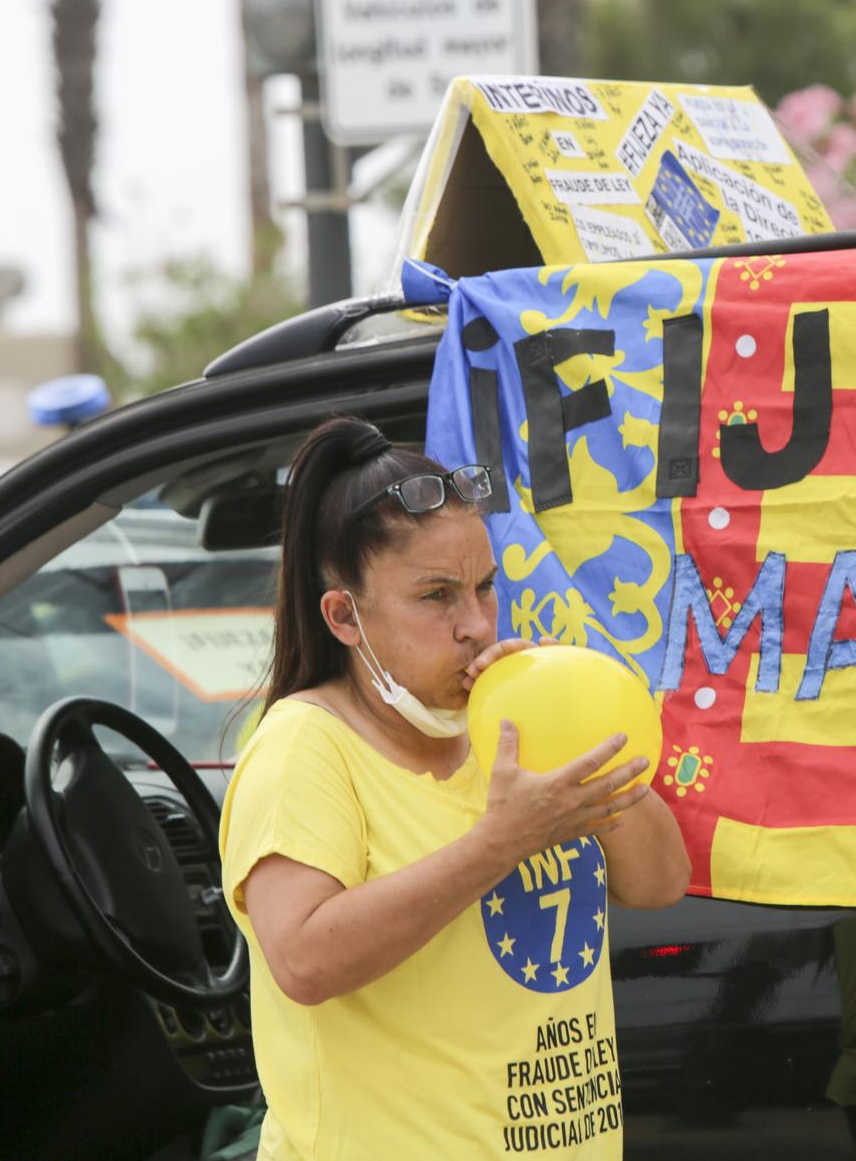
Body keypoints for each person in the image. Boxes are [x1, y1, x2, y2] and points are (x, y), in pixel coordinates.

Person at [218, 417, 690, 1158]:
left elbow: (661, 881)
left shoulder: (505, 728)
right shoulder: (305, 744)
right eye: (436, 597)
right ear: (345, 616)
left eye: (485, 586)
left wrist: (568, 724)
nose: (475, 623)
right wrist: (500, 843)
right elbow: (304, 959)